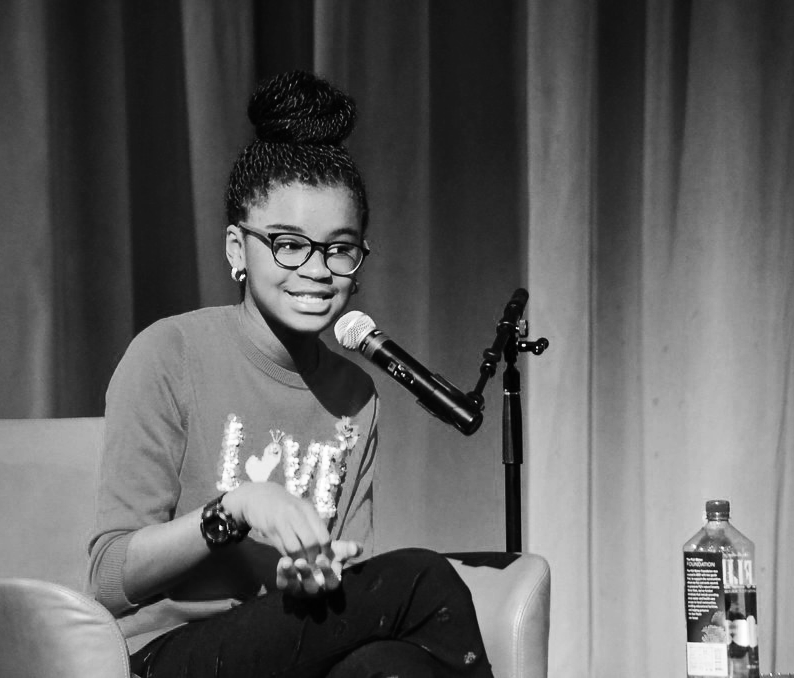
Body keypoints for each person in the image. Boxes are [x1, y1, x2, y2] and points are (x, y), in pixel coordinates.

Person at [87, 70, 493, 678]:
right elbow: (109, 578)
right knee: (424, 579)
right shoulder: (169, 353)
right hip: (166, 656)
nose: (318, 270)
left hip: (292, 647)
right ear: (236, 250)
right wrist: (236, 509)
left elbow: (347, 580)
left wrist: (307, 577)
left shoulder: (355, 395)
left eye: (340, 247)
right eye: (288, 244)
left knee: (387, 666)